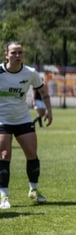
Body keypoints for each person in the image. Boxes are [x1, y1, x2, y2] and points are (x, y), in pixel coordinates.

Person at [0, 41, 53, 209]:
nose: (18, 56)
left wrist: (49, 111)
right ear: (6, 55)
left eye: (20, 52)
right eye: (14, 53)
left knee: (32, 153)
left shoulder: (30, 73)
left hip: (22, 118)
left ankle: (34, 190)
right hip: (2, 120)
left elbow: (43, 91)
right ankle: (3, 195)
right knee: (4, 155)